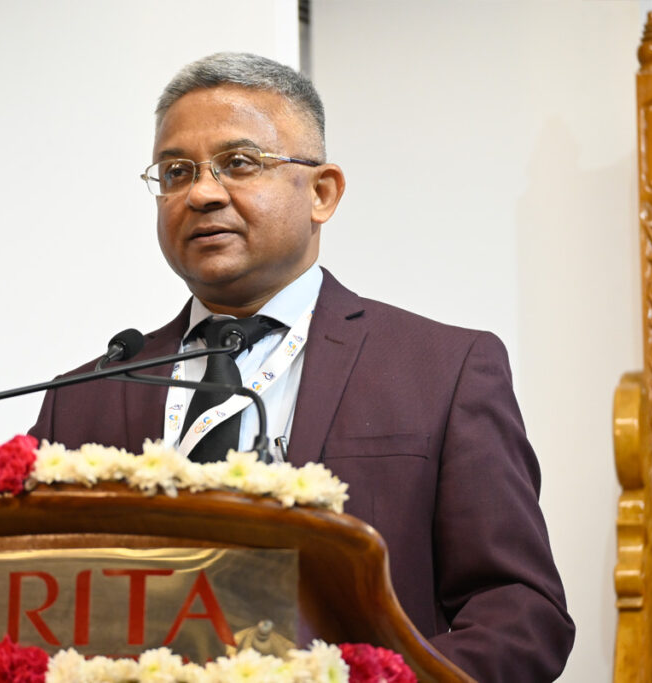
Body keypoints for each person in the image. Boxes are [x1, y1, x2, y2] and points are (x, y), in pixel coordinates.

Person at [30, 53, 574, 681]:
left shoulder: (443, 370)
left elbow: (520, 613)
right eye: (176, 172)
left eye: (238, 163)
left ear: (322, 192)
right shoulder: (87, 393)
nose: (202, 193)